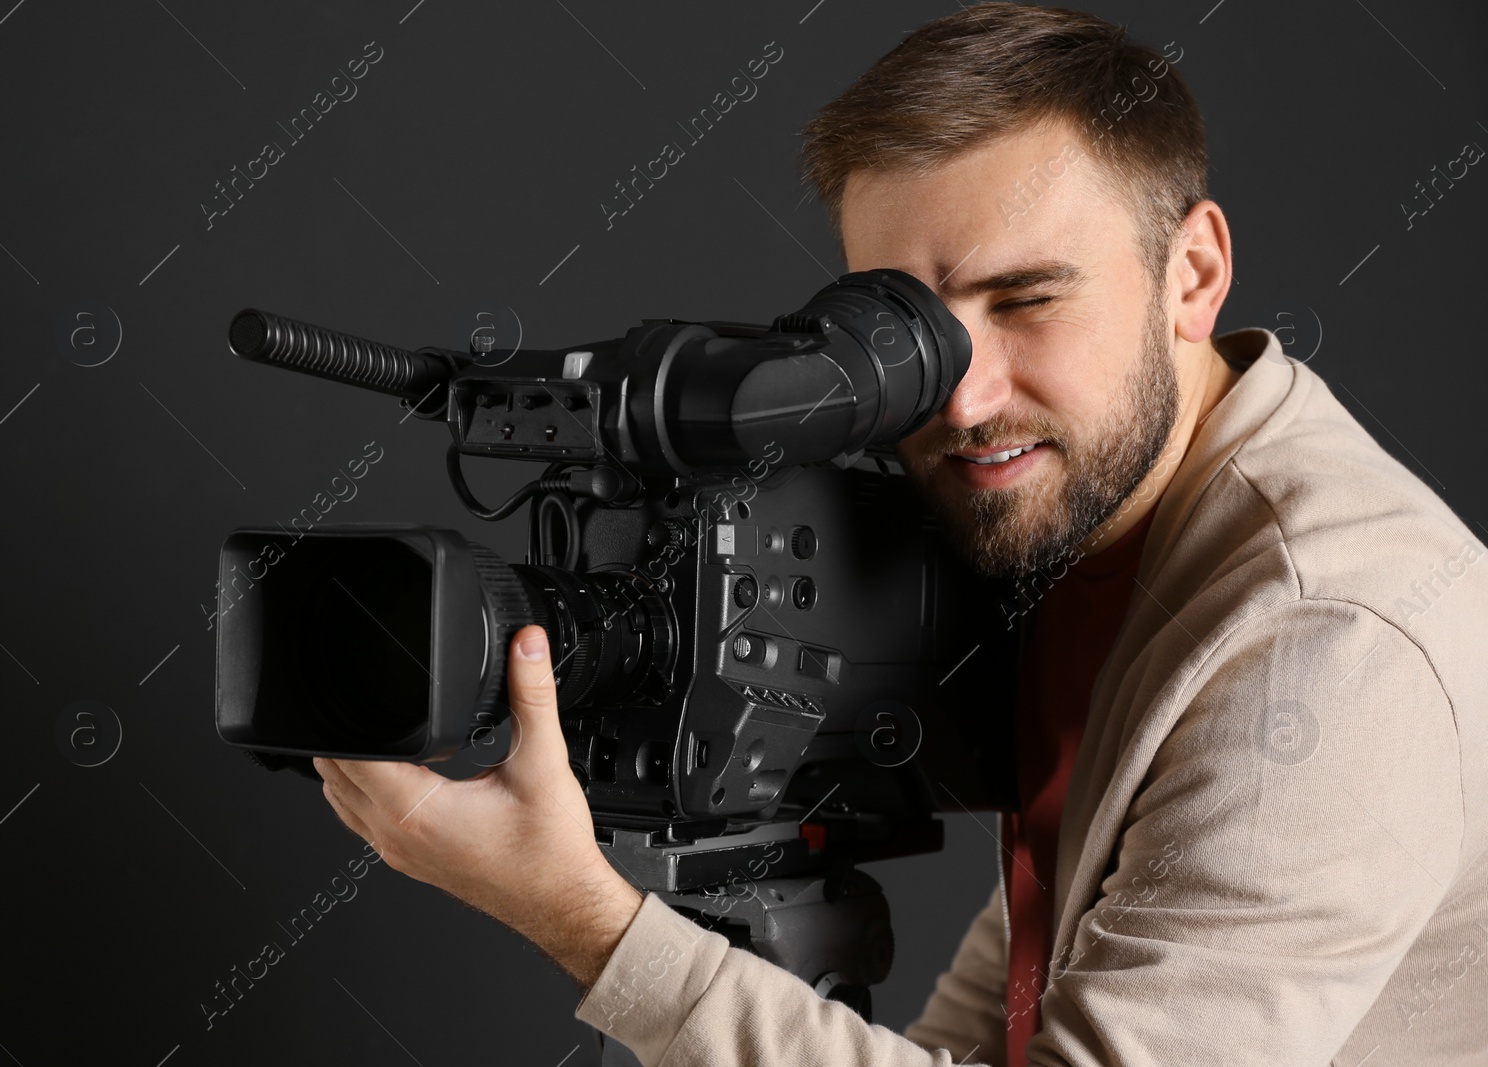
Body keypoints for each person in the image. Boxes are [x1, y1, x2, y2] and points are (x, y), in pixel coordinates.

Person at [311, 5, 1488, 1065]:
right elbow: (1026, 997)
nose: (964, 401)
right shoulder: (1103, 529)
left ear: (1192, 273)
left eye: (1027, 300)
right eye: (906, 335)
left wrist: (583, 917)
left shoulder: (1329, 641)